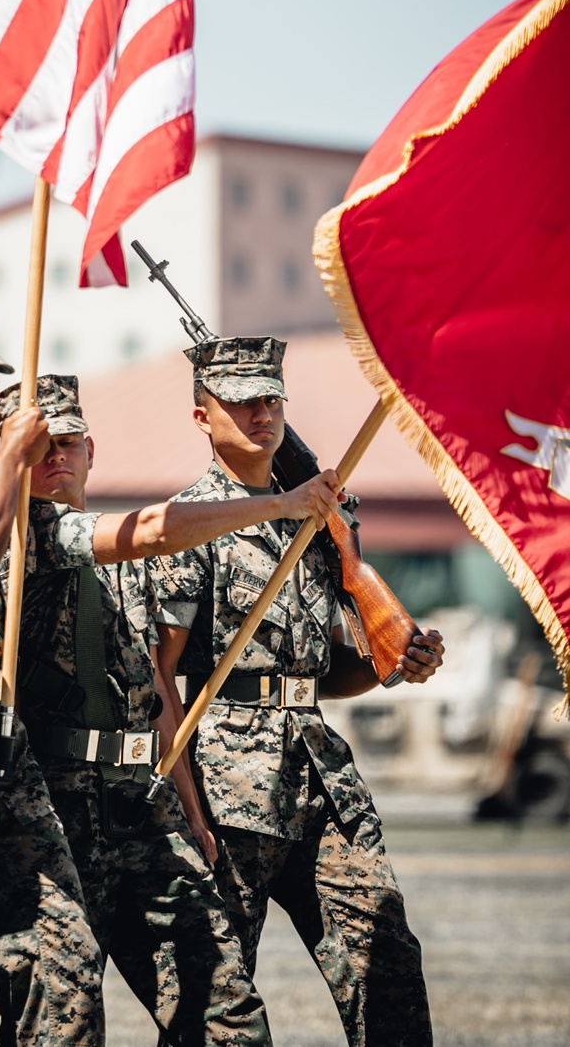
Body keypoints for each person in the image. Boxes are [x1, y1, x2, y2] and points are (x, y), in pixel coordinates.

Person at [0, 308, 339, 1045]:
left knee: (69, 985)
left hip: (12, 775)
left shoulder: (27, 513)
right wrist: (12, 471)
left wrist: (279, 504)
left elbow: (143, 533)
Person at [151, 336, 444, 1047]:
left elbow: (321, 671)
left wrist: (390, 660)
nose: (260, 413)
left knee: (386, 962)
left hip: (318, 772)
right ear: (202, 418)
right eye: (240, 401)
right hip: (228, 783)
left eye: (271, 399)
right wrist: (185, 804)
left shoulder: (318, 520)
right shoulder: (191, 522)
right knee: (219, 992)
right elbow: (160, 677)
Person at [0, 373, 271, 1046]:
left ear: (91, 448)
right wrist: (281, 504)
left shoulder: (125, 561)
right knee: (61, 1016)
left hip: (142, 805)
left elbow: (156, 690)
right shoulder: (13, 543)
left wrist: (194, 813)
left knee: (224, 1005)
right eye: (37, 448)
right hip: (54, 807)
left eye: (66, 443)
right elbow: (152, 531)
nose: (55, 458)